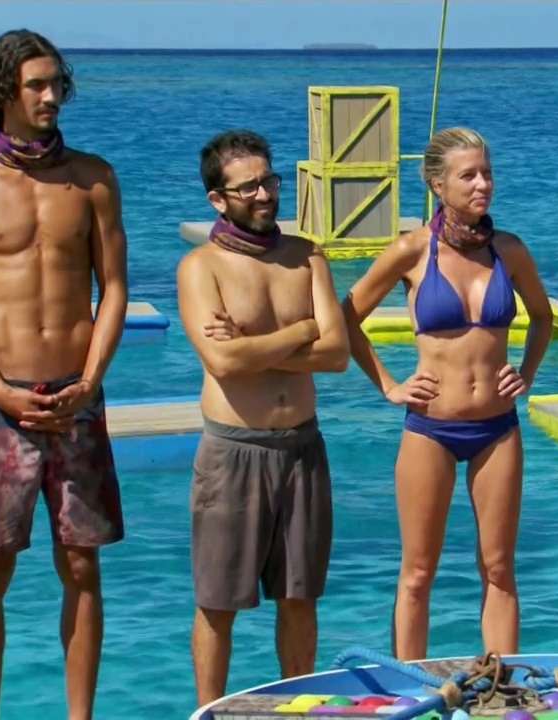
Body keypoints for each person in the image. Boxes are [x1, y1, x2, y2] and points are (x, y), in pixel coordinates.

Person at [0, 29, 128, 720]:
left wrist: (90, 380)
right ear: (3, 92)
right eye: (36, 85)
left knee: (83, 565)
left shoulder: (93, 178)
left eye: (55, 84)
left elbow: (115, 289)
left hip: (77, 397)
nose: (50, 97)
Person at [341, 127, 554, 661]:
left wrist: (527, 373)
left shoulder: (509, 250)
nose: (483, 184)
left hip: (498, 428)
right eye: (469, 175)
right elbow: (346, 318)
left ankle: (503, 681)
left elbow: (544, 317)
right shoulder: (412, 251)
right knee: (418, 571)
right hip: (430, 429)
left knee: (499, 567)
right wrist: (390, 385)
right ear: (438, 184)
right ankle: (408, 684)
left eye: (487, 173)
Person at [177, 129, 350, 706]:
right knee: (218, 601)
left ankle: (297, 707)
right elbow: (223, 361)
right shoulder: (201, 268)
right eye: (247, 187)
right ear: (217, 199)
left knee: (300, 595)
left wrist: (259, 345)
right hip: (234, 451)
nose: (264, 194)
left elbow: (337, 354)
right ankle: (208, 711)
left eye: (269, 181)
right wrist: (304, 329)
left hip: (303, 448)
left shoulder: (307, 256)